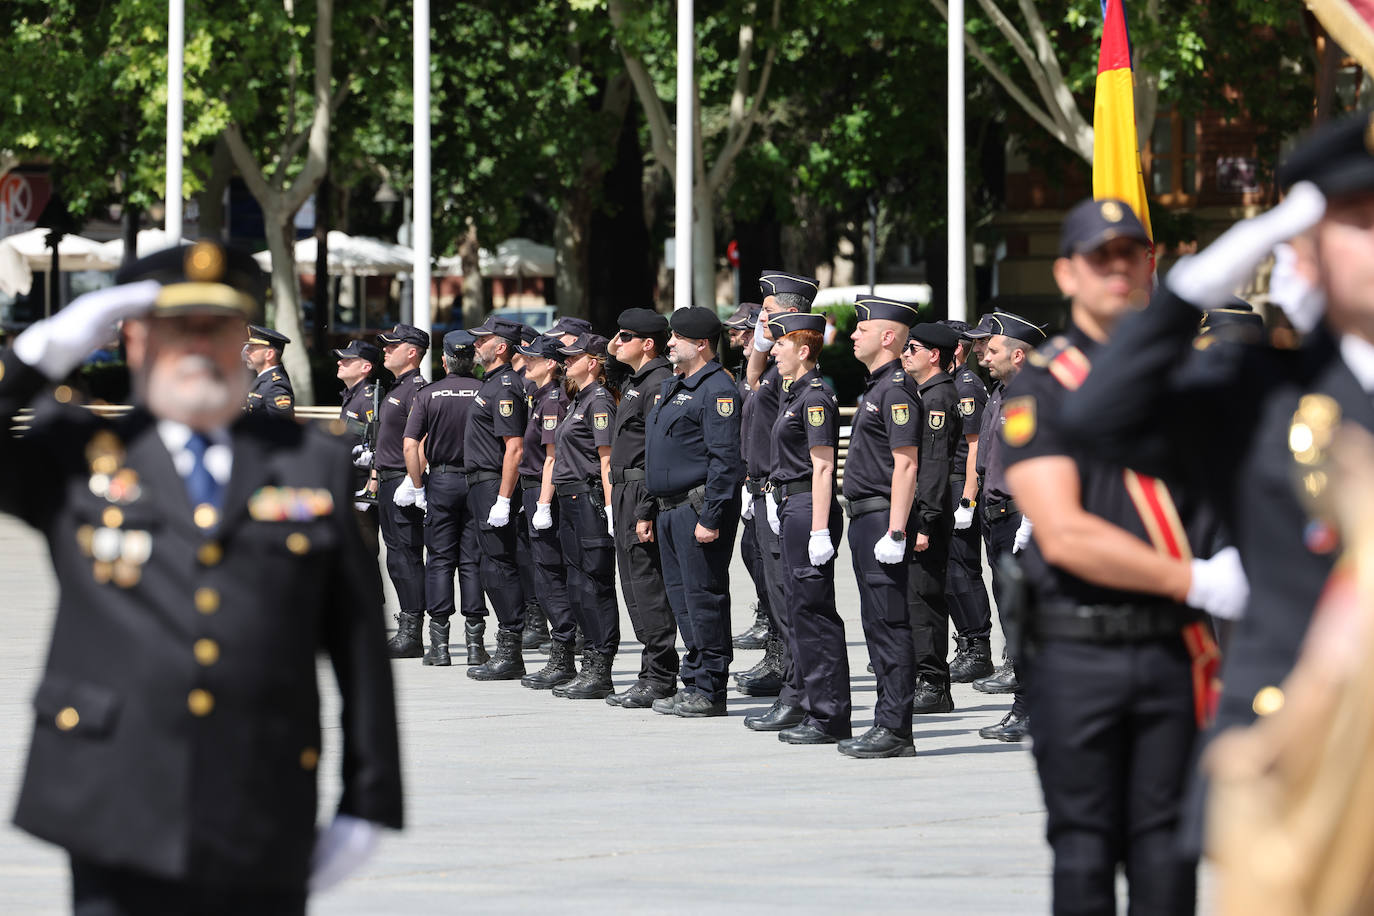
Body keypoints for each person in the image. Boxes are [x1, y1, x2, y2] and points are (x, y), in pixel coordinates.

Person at [0, 241, 402, 912]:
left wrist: (371, 799)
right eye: (174, 327)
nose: (195, 347)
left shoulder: (307, 462)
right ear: (134, 341)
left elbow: (360, 645)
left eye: (215, 329)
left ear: (242, 345)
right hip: (111, 794)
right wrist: (43, 349)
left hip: (261, 795)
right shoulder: (74, 454)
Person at [1055, 112, 1374, 857]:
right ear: (1308, 250)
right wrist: (1192, 286)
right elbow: (1097, 417)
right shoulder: (1263, 395)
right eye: (1359, 222)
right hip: (1298, 763)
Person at [1001, 198, 1246, 915]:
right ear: (1066, 274)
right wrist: (1195, 577)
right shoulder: (1041, 383)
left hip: (1175, 650)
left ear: (1152, 266)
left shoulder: (1192, 380)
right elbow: (1066, 531)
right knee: (1083, 851)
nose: (1116, 268)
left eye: (1129, 254)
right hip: (1080, 651)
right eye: (1098, 256)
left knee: (1168, 854)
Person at [646, 306, 744, 718]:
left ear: (701, 343)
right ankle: (694, 678)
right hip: (669, 509)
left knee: (704, 598)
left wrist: (711, 517)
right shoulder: (677, 385)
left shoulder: (717, 389)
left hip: (697, 507)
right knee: (682, 600)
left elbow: (725, 461)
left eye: (677, 337)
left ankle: (711, 687)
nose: (669, 343)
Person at [838, 294, 923, 758]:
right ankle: (885, 720)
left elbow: (906, 464)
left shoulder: (895, 389)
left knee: (889, 623)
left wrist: (895, 531)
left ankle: (895, 729)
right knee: (875, 622)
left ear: (888, 336)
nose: (853, 335)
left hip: (880, 518)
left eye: (862, 329)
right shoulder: (877, 386)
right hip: (865, 515)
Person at [765, 311, 850, 744]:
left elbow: (822, 467)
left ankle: (830, 716)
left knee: (814, 615)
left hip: (807, 507)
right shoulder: (792, 393)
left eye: (780, 344)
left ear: (802, 350)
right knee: (800, 611)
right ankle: (816, 707)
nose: (772, 350)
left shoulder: (814, 397)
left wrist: (819, 528)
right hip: (793, 504)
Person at [739, 270, 820, 725]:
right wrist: (761, 344)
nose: (760, 322)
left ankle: (797, 693)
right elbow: (752, 381)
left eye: (767, 314)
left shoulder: (795, 378)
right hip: (763, 492)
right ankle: (790, 684)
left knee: (790, 602)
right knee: (774, 597)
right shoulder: (771, 370)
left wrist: (766, 489)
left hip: (782, 494)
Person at [967, 312, 1045, 742]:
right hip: (994, 515)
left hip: (1019, 517)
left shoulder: (1029, 396)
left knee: (1023, 620)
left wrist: (1031, 519)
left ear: (1018, 353)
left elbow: (1038, 462)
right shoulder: (1000, 392)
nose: (983, 356)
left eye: (991, 349)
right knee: (1011, 616)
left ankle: (1029, 708)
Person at [604, 308, 680, 708]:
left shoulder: (658, 382)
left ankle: (661, 674)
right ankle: (652, 670)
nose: (616, 342)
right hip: (623, 492)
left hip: (639, 493)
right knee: (633, 586)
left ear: (647, 343)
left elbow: (657, 451)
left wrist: (646, 508)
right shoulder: (638, 380)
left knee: (647, 585)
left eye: (625, 336)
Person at [402, 329, 488, 667]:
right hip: (478, 481)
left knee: (438, 559)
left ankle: (438, 647)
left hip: (441, 480)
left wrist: (416, 485)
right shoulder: (485, 391)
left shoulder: (428, 394)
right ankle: (475, 645)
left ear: (444, 360)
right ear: (473, 360)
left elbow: (411, 444)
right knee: (471, 560)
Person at [543, 333, 620, 699]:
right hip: (570, 499)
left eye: (573, 357)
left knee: (594, 582)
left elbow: (607, 460)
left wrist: (610, 508)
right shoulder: (579, 399)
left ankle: (600, 665)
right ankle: (588, 656)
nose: (565, 363)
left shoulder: (599, 400)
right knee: (576, 583)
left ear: (593, 362)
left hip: (588, 498)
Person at [463, 315, 530, 680]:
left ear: (500, 346)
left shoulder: (504, 386)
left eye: (482, 339)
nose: (476, 344)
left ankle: (510, 648)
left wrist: (503, 499)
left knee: (499, 566)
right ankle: (508, 642)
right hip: (482, 482)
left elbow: (515, 448)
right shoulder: (490, 383)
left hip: (493, 483)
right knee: (491, 565)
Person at [901, 322, 961, 715]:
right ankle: (922, 675)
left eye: (913, 348)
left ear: (933, 355)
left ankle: (934, 684)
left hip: (929, 513)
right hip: (921, 509)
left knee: (924, 599)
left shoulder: (938, 397)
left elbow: (936, 464)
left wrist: (924, 521)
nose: (906, 354)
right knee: (913, 597)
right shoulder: (923, 393)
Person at [516, 335, 579, 689]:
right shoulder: (539, 397)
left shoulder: (553, 400)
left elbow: (552, 459)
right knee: (545, 573)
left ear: (550, 363)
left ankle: (564, 652)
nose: (526, 362)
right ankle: (564, 647)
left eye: (532, 358)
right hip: (534, 493)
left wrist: (542, 503)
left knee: (550, 574)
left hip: (545, 496)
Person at [936, 318, 994, 683]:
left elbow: (975, 447)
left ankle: (977, 648)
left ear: (957, 348)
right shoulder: (949, 383)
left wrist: (968, 500)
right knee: (949, 572)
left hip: (961, 485)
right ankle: (966, 642)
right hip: (946, 485)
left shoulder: (966, 385)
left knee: (962, 570)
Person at [371, 323, 432, 659]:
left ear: (412, 352)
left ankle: (412, 630)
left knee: (406, 555)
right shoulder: (398, 387)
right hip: (389, 477)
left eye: (392, 346)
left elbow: (423, 438)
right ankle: (408, 624)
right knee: (395, 555)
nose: (385, 350)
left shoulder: (417, 389)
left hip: (403, 480)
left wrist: (414, 479)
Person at [722, 302, 772, 650]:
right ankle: (765, 615)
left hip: (767, 479)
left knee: (760, 552)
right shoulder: (745, 370)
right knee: (751, 549)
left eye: (741, 329)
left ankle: (770, 620)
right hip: (748, 475)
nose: (736, 336)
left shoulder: (772, 372)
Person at [333, 338, 385, 548]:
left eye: (347, 359)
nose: (339, 362)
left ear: (365, 367)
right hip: (349, 482)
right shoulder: (352, 396)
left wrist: (371, 487)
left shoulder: (369, 398)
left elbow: (379, 441)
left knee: (363, 548)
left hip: (362, 486)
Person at [242, 324, 294, 417]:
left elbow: (281, 427)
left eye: (252, 348)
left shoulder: (276, 387)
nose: (247, 351)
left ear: (269, 354)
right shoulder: (264, 380)